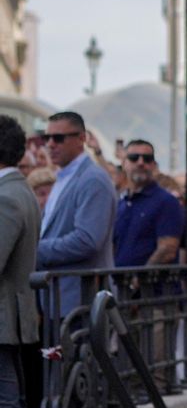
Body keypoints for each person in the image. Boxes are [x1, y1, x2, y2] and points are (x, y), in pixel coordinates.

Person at [37, 111, 118, 317]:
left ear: (81, 139)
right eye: (47, 138)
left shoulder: (92, 179)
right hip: (59, 300)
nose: (51, 144)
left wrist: (36, 250)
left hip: (81, 303)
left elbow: (87, 240)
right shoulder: (63, 177)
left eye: (59, 138)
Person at [0, 115, 41, 408]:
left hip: (4, 315)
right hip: (9, 315)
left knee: (7, 399)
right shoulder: (19, 190)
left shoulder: (7, 196)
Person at [113, 140, 185, 267]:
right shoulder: (121, 202)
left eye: (147, 159)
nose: (141, 163)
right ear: (124, 163)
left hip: (153, 285)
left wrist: (138, 280)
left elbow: (167, 250)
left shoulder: (166, 202)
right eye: (134, 158)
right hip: (121, 282)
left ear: (154, 164)